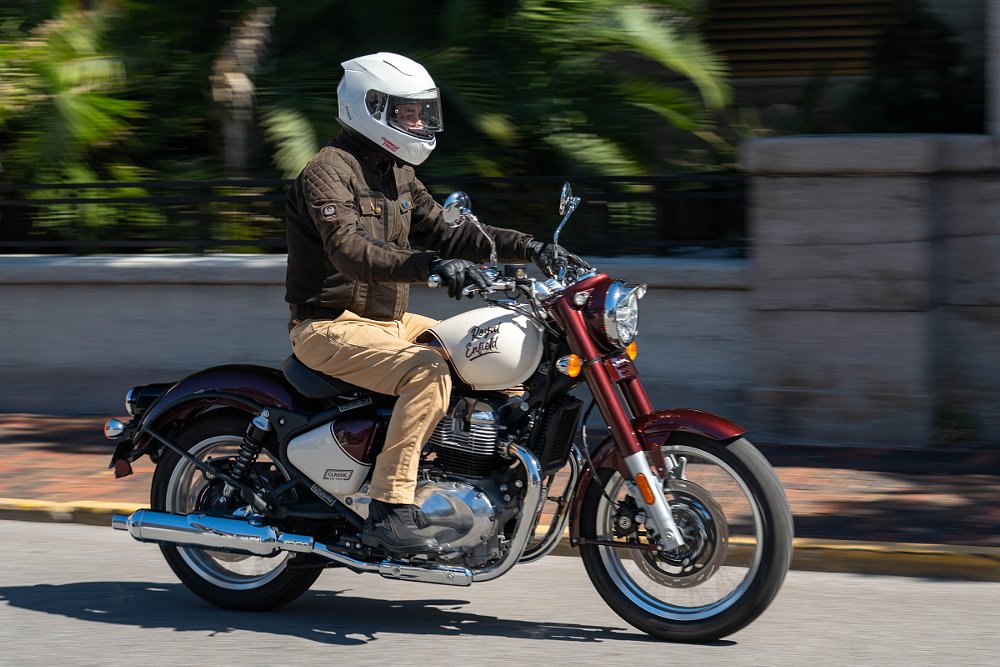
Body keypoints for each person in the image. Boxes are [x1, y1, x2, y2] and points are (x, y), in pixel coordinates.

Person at [284, 52, 553, 555]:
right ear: (368, 107)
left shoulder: (398, 174)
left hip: (389, 322)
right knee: (428, 373)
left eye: (421, 112)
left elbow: (453, 233)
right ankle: (390, 506)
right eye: (406, 113)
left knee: (494, 359)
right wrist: (427, 266)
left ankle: (483, 478)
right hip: (329, 326)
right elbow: (350, 249)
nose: (417, 123)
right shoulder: (327, 171)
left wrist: (532, 247)